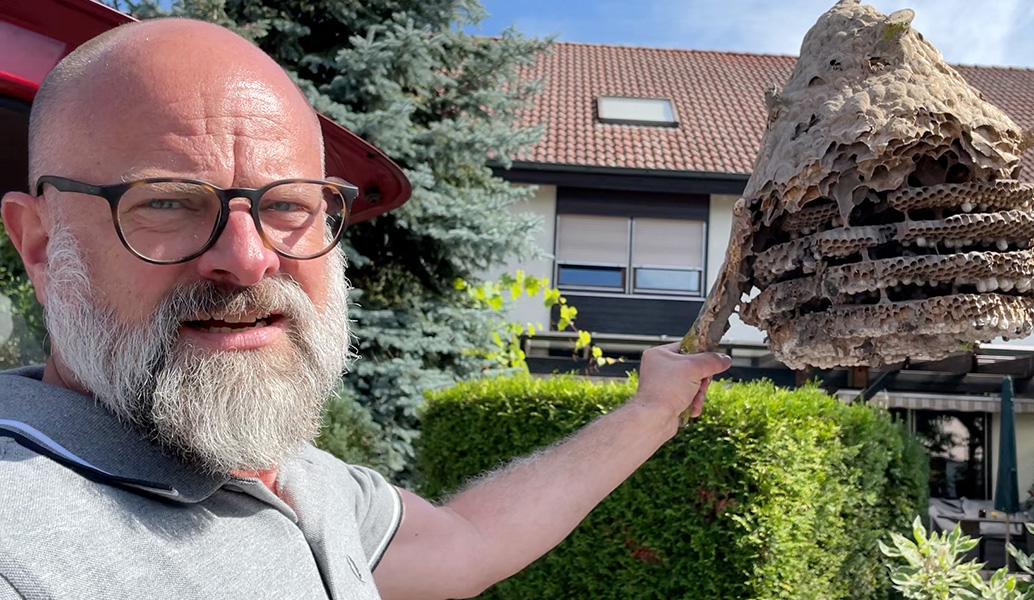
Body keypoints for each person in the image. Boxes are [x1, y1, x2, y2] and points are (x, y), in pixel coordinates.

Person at [0, 17, 732, 600]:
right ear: (38, 244)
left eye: (287, 203)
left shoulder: (294, 479)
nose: (249, 258)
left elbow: (467, 542)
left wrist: (651, 412)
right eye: (166, 202)